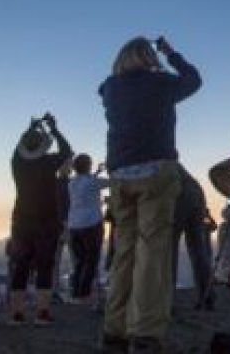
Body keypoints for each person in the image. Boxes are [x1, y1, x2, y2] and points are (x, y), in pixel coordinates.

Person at [100, 36, 201, 354]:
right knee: (152, 253)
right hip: (156, 171)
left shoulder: (109, 88)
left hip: (119, 175)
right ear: (147, 57)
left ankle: (114, 330)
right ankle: (144, 333)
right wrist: (171, 53)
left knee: (124, 252)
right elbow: (194, 81)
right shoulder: (159, 83)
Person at [8, 112, 73, 326]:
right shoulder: (48, 162)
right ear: (43, 146)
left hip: (21, 222)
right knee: (45, 265)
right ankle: (42, 313)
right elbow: (67, 151)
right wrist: (53, 129)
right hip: (46, 221)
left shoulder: (16, 163)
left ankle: (17, 314)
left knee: (20, 266)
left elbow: (20, 146)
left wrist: (30, 128)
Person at [172, 163, 215, 310]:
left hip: (179, 195)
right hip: (196, 193)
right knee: (198, 249)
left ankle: (167, 302)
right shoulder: (176, 165)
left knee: (168, 250)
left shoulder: (157, 161)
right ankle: (207, 296)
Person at [67, 153, 108, 304]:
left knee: (80, 261)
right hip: (91, 225)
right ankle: (84, 295)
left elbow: (88, 182)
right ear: (88, 166)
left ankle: (76, 294)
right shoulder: (93, 182)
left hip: (74, 226)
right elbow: (114, 182)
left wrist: (97, 172)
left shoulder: (72, 183)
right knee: (91, 260)